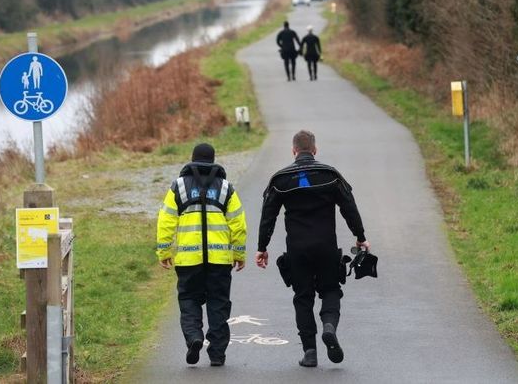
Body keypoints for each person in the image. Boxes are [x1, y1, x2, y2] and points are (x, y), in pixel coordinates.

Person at [256, 130, 370, 367]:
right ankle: (329, 325)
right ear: (315, 150)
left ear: (294, 151)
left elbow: (268, 216)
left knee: (303, 298)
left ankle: (310, 352)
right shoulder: (330, 175)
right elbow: (349, 207)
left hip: (297, 250)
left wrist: (262, 247)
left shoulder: (280, 180)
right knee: (330, 290)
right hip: (326, 246)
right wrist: (360, 237)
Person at [156, 143, 247, 367]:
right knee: (218, 304)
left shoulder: (178, 187)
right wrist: (239, 253)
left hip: (189, 259)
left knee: (188, 300)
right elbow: (238, 223)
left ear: (193, 158)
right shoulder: (226, 188)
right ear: (213, 160)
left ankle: (194, 337)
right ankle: (216, 354)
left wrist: (165, 251)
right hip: (219, 261)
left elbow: (166, 221)